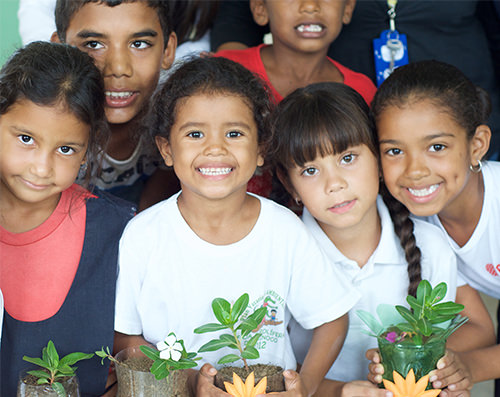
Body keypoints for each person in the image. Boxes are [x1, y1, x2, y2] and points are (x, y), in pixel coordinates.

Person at [113, 56, 361, 396]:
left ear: (261, 149)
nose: (215, 148)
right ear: (166, 149)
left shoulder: (284, 231)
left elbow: (332, 319)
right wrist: (190, 384)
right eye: (195, 133)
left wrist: (306, 385)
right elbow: (126, 336)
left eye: (234, 133)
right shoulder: (143, 236)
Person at [269, 82, 494, 396]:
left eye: (348, 158)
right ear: (288, 183)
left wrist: (416, 356)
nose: (334, 184)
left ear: (378, 159)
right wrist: (342, 392)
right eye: (310, 170)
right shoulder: (277, 253)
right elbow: (266, 372)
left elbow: (478, 330)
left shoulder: (429, 245)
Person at [0, 41, 135, 396]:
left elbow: (134, 361)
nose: (42, 167)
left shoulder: (118, 232)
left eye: (65, 149)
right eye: (26, 138)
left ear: (88, 149)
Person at [210, 0, 500, 160]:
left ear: (348, 8)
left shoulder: (360, 91)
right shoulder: (227, 73)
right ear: (259, 8)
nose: (310, 6)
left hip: (461, 121)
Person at [367, 60, 500, 396]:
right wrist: (408, 357)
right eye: (395, 151)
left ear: (477, 145)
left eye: (436, 147)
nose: (414, 171)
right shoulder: (414, 220)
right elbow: (476, 325)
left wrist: (470, 368)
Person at [51, 0, 179, 210]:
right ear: (60, 48)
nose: (118, 68)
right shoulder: (39, 119)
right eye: (94, 44)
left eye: (139, 44)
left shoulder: (176, 115)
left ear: (167, 50)